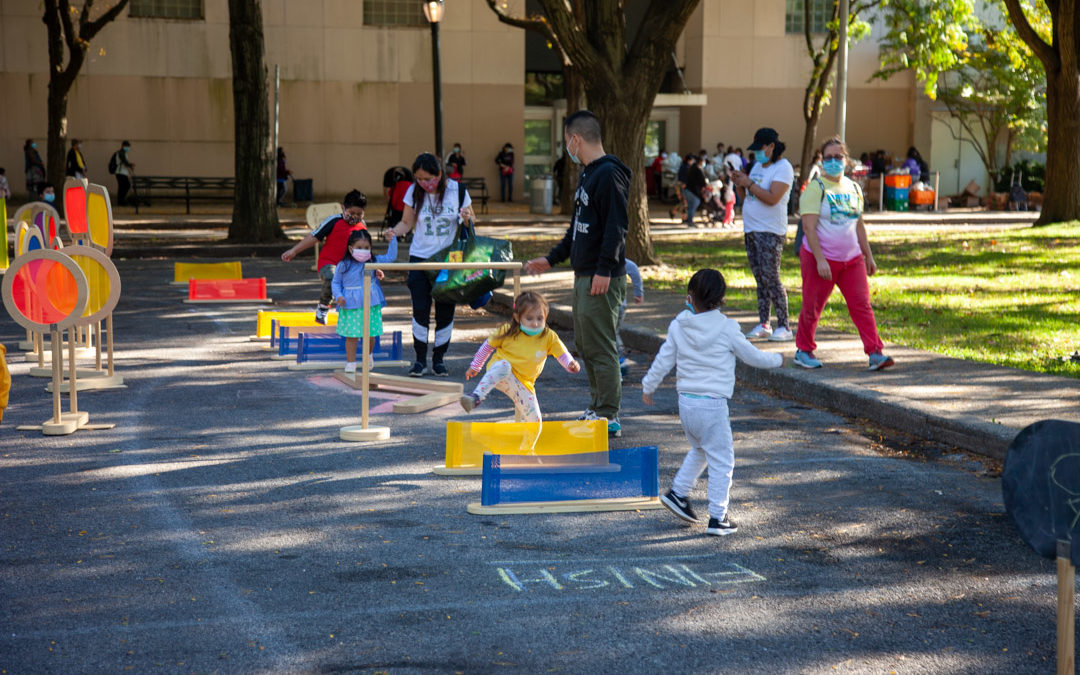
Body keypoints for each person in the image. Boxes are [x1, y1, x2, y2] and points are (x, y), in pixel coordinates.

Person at [642, 268, 783, 536]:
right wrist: (777, 358)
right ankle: (718, 517)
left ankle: (678, 494)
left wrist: (648, 386)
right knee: (722, 460)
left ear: (689, 297)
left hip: (686, 403)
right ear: (722, 300)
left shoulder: (678, 325)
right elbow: (752, 356)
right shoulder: (727, 328)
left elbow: (663, 359)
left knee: (701, 450)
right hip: (712, 405)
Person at [524, 110, 630, 438]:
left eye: (566, 140)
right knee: (586, 343)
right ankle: (597, 407)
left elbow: (617, 227)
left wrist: (604, 270)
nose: (565, 146)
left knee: (600, 345)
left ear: (576, 139)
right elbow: (577, 230)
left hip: (601, 276)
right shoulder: (588, 174)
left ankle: (608, 414)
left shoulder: (609, 174)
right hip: (583, 273)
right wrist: (551, 259)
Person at [795, 137, 894, 372]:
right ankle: (803, 350)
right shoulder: (815, 188)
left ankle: (875, 353)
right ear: (821, 160)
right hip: (820, 258)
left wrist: (868, 256)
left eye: (838, 156)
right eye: (828, 158)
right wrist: (820, 259)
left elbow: (858, 225)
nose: (833, 161)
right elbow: (809, 227)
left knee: (862, 305)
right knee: (812, 305)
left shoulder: (853, 187)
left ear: (846, 159)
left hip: (851, 260)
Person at [385, 152, 475, 377]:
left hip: (449, 258)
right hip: (419, 258)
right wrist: (393, 232)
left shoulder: (458, 191)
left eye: (428, 179)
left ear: (440, 174)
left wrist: (466, 218)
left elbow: (471, 221)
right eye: (419, 179)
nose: (424, 183)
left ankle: (439, 359)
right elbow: (407, 223)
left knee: (445, 311)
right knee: (420, 310)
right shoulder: (413, 191)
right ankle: (419, 359)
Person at [460, 291, 581, 439]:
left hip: (523, 384)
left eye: (539, 318)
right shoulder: (508, 331)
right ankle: (476, 397)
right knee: (504, 365)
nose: (535, 323)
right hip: (499, 373)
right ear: (518, 318)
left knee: (535, 423)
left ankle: (526, 452)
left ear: (546, 316)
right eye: (529, 318)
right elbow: (488, 346)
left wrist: (570, 364)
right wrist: (475, 366)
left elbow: (561, 354)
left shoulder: (548, 336)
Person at [729, 127, 795, 342]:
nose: (757, 153)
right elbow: (747, 196)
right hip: (752, 229)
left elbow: (772, 197)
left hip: (770, 231)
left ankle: (784, 325)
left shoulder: (783, 168)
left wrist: (749, 183)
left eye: (761, 148)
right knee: (760, 278)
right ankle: (764, 323)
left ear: (771, 147)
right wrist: (740, 183)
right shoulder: (757, 165)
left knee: (771, 277)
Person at [281, 189, 368, 324]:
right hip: (328, 264)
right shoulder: (334, 221)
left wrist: (375, 267)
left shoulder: (362, 227)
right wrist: (294, 250)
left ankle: (348, 316)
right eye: (351, 213)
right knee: (333, 277)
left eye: (359, 214)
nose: (355, 217)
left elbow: (366, 250)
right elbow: (314, 236)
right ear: (343, 208)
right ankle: (322, 308)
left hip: (349, 268)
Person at [332, 229, 398, 373]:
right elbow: (336, 282)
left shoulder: (373, 262)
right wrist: (338, 296)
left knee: (370, 333)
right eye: (359, 248)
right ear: (350, 248)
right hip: (350, 304)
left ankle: (368, 356)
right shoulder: (343, 265)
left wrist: (392, 240)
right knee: (352, 335)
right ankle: (350, 362)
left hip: (371, 303)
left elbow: (390, 258)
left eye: (366, 248)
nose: (363, 251)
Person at [617, 259, 645, 378]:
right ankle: (619, 360)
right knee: (613, 333)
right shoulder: (619, 258)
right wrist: (638, 292)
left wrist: (638, 292)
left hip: (612, 306)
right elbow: (633, 268)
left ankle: (619, 362)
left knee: (609, 334)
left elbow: (632, 268)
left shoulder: (609, 257)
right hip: (619, 305)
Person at [381, 166, 413, 232]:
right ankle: (408, 232)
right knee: (407, 220)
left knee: (395, 220)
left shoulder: (396, 186)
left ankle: (395, 232)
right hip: (406, 206)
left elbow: (390, 194)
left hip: (397, 208)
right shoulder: (409, 185)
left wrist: (391, 205)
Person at [682, 155, 706, 227]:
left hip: (688, 190)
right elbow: (702, 181)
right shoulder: (697, 169)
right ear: (701, 162)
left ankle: (689, 219)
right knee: (693, 205)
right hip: (692, 190)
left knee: (690, 206)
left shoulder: (692, 168)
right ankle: (690, 221)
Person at [109, 141, 135, 206]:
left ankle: (121, 201)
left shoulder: (123, 153)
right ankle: (121, 201)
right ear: (123, 146)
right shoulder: (121, 153)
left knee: (123, 187)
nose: (128, 148)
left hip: (122, 172)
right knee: (126, 186)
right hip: (120, 172)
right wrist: (130, 165)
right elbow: (124, 161)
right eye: (127, 146)